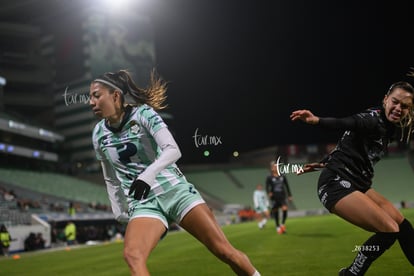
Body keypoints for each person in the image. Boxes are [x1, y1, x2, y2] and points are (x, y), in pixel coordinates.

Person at [89, 69, 260, 276]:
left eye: (96, 96)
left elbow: (173, 150)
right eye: (90, 97)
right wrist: (118, 209)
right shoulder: (98, 133)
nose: (91, 102)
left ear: (115, 95)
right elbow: (110, 177)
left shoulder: (144, 114)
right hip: (144, 203)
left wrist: (148, 174)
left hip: (175, 191)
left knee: (225, 252)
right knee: (133, 256)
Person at [290, 80, 414, 275]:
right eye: (395, 102)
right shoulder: (372, 119)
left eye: (404, 106)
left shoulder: (390, 128)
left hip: (358, 183)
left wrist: (323, 162)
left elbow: (347, 144)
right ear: (385, 100)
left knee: (402, 225)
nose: (398, 108)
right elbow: (346, 122)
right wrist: (317, 120)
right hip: (335, 183)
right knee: (389, 230)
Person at [265, 161, 293, 234]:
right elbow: (267, 187)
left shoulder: (282, 176)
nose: (276, 167)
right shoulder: (269, 177)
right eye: (274, 166)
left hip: (282, 196)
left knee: (285, 209)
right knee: (275, 211)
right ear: (272, 168)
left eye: (276, 166)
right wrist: (269, 193)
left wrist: (289, 195)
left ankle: (282, 224)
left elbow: (287, 186)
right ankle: (277, 226)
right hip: (274, 197)